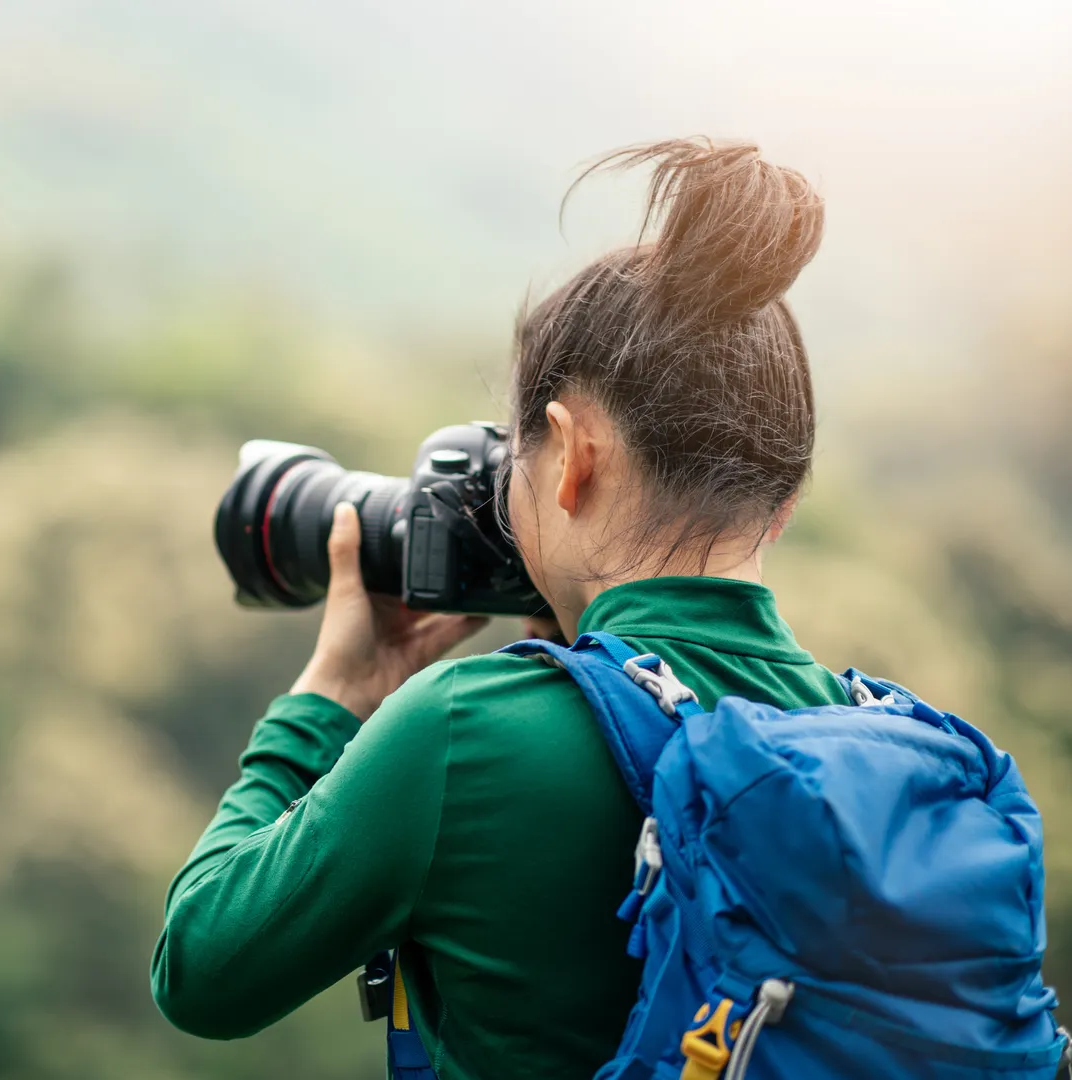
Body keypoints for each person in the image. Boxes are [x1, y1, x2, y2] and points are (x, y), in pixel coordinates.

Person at [151, 138, 843, 1079]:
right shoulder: (874, 746)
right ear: (786, 500)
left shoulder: (462, 734)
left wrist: (329, 698)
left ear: (572, 455)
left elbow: (201, 969)